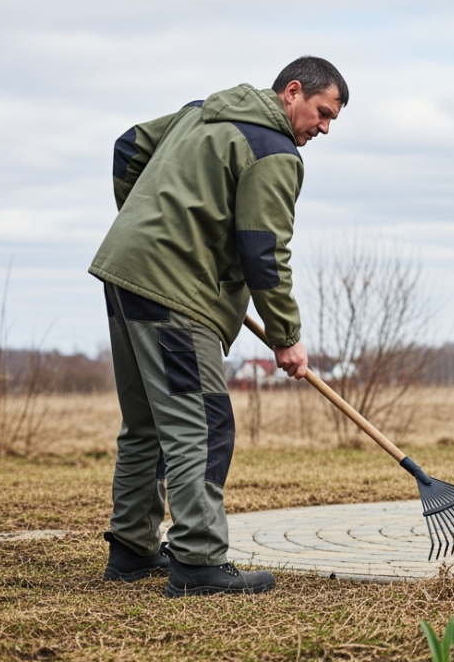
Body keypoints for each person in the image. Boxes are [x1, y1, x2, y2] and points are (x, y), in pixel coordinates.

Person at [89, 56, 347, 597]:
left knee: (148, 425)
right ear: (292, 92)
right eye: (321, 113)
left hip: (125, 271)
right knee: (202, 425)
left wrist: (149, 224)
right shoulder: (275, 153)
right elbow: (264, 251)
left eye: (331, 121)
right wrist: (285, 337)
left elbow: (129, 146)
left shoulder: (202, 112)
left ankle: (133, 551)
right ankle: (200, 561)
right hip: (175, 295)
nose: (322, 129)